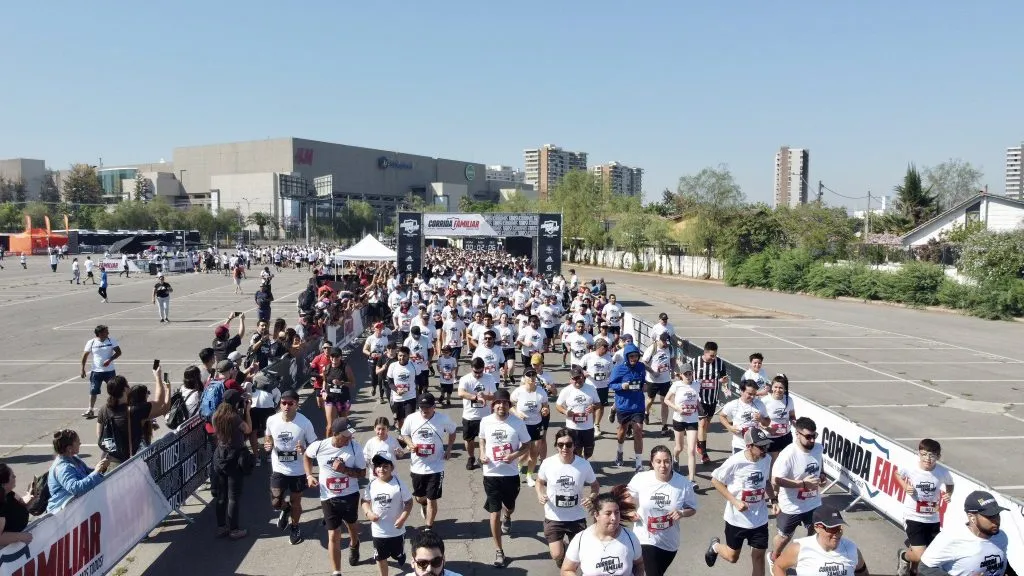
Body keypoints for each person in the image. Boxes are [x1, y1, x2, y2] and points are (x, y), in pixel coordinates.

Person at [705, 428, 776, 576]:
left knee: (758, 557)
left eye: (766, 446)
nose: (765, 450)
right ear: (749, 446)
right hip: (737, 520)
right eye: (761, 446)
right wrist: (735, 501)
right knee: (732, 557)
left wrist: (773, 499)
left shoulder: (767, 459)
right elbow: (716, 480)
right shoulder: (735, 461)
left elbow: (766, 481)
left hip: (759, 519)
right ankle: (716, 546)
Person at [304, 417, 367, 571]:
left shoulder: (355, 447)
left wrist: (344, 469)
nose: (349, 438)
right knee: (334, 534)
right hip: (328, 497)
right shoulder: (319, 446)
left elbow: (363, 473)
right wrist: (309, 475)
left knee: (352, 527)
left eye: (350, 435)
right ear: (335, 433)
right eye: (345, 436)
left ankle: (354, 543)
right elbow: (306, 456)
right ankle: (336, 572)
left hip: (349, 495)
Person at [479, 388, 532, 567]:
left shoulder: (517, 423)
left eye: (505, 403)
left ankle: (508, 515)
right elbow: (482, 439)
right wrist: (482, 455)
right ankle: (499, 551)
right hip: (491, 473)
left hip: (510, 474)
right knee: (495, 512)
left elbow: (527, 445)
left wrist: (514, 455)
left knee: (509, 506)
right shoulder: (485, 421)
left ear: (509, 405)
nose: (502, 406)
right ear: (493, 405)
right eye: (498, 403)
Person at [627, 445, 697, 576]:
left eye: (667, 461)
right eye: (658, 461)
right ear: (652, 463)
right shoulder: (641, 478)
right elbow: (626, 496)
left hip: (669, 542)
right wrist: (629, 511)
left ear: (671, 462)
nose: (663, 465)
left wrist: (681, 513)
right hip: (644, 537)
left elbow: (692, 508)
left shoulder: (682, 483)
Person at [536, 428, 600, 569]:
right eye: (560, 445)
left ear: (574, 445)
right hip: (554, 516)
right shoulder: (548, 463)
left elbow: (595, 485)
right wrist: (540, 494)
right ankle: (563, 554)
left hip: (576, 517)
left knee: (578, 556)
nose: (564, 448)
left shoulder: (583, 465)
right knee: (557, 555)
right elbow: (539, 482)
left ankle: (567, 568)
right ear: (556, 445)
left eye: (568, 444)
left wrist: (592, 497)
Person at [265, 389, 318, 545]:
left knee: (296, 501)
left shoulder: (305, 423)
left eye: (290, 403)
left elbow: (314, 444)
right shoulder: (272, 420)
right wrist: (268, 444)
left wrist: (305, 450)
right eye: (284, 403)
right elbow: (268, 435)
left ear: (297, 404)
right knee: (275, 502)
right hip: (279, 467)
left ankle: (295, 527)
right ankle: (285, 508)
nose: (286, 406)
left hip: (298, 470)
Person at [895, 438, 955, 576]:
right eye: (923, 454)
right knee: (921, 556)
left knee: (930, 555)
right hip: (913, 516)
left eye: (932, 455)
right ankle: (904, 556)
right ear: (919, 454)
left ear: (938, 457)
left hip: (933, 518)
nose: (927, 459)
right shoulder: (910, 467)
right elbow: (897, 474)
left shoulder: (942, 472)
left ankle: (913, 570)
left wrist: (948, 494)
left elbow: (950, 484)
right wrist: (905, 486)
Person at [770, 416, 825, 563]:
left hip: (813, 502)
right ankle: (774, 556)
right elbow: (775, 480)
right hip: (791, 506)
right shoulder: (788, 454)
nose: (812, 440)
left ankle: (807, 557)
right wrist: (802, 484)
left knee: (816, 532)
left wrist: (822, 475)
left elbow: (819, 463)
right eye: (808, 437)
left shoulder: (818, 448)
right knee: (784, 538)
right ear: (797, 434)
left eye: (814, 436)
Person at [399, 393, 456, 531]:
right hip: (417, 466)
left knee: (432, 498)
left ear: (434, 407)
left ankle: (428, 528)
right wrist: (410, 443)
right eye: (422, 407)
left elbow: (453, 431)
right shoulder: (412, 418)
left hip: (436, 466)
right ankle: (423, 505)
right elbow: (404, 433)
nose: (424, 410)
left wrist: (448, 449)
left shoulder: (443, 419)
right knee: (420, 497)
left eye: (427, 408)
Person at [919, 490, 1009, 576]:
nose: (996, 520)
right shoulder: (951, 537)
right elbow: (924, 569)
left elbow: (1002, 562)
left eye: (997, 514)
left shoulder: (1001, 536)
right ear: (971, 517)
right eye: (990, 516)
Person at [96, 371, 171, 467]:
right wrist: (158, 377)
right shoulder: (134, 410)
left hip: (111, 462)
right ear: (124, 389)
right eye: (127, 385)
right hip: (130, 463)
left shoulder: (104, 410)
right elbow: (160, 403)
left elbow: (99, 434)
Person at [562, 492, 644, 576]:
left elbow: (639, 564)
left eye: (616, 512)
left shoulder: (630, 537)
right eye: (608, 513)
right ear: (596, 515)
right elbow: (567, 570)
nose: (614, 518)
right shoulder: (581, 539)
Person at [772, 505, 869, 576]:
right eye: (831, 528)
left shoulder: (852, 548)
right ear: (817, 527)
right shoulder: (800, 548)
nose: (837, 534)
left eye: (839, 529)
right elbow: (778, 566)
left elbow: (862, 572)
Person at [362, 454, 413, 576]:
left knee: (397, 555)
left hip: (396, 530)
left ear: (391, 468)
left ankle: (400, 554)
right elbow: (365, 501)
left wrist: (402, 518)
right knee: (380, 558)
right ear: (374, 469)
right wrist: (368, 513)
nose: (381, 469)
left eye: (385, 466)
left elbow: (409, 502)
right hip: (378, 531)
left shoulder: (399, 484)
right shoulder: (371, 485)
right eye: (378, 466)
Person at [211, 389, 252, 539]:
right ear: (236, 402)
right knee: (233, 496)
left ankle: (221, 527)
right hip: (234, 457)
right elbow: (248, 429)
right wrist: (247, 411)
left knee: (221, 496)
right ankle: (234, 529)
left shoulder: (216, 415)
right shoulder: (235, 417)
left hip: (220, 456)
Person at [46, 429, 110, 513]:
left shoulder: (74, 458)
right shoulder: (63, 468)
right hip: (63, 514)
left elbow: (86, 473)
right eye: (77, 442)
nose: (80, 443)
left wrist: (101, 468)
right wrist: (96, 473)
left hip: (76, 510)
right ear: (69, 448)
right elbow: (76, 488)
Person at [608, 342, 648, 471]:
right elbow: (611, 384)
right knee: (622, 432)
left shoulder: (641, 367)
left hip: (638, 406)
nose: (634, 359)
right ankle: (619, 451)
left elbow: (643, 382)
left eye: (636, 356)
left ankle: (639, 463)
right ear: (626, 357)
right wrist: (621, 386)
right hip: (624, 406)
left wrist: (644, 386)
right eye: (631, 356)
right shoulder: (618, 369)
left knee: (638, 431)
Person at [457, 357, 497, 470]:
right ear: (471, 369)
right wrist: (476, 398)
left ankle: (482, 456)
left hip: (485, 417)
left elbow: (494, 395)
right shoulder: (465, 379)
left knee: (484, 438)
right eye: (476, 372)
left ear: (483, 369)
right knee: (469, 439)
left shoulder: (489, 378)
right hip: (470, 415)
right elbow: (461, 393)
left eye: (480, 372)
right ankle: (471, 457)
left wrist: (485, 396)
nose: (478, 375)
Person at [663, 365, 701, 486]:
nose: (689, 376)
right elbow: (666, 400)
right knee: (679, 448)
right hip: (679, 419)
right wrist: (677, 408)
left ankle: (692, 479)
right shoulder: (676, 385)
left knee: (691, 450)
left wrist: (700, 408)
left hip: (692, 420)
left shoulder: (696, 385)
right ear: (681, 375)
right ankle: (675, 458)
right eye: (686, 374)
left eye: (690, 374)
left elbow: (697, 399)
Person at [80, 324, 121, 419]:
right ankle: (90, 410)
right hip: (96, 371)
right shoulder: (91, 342)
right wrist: (82, 369)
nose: (108, 333)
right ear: (100, 333)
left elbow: (119, 352)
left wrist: (110, 360)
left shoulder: (111, 340)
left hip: (109, 371)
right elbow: (84, 356)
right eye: (106, 331)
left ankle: (116, 408)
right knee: (93, 391)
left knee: (113, 390)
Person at [321, 347, 356, 437]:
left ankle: (342, 444)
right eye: (332, 356)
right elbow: (324, 381)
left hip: (343, 399)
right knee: (330, 426)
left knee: (342, 426)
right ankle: (328, 446)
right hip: (330, 399)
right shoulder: (326, 368)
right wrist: (323, 391)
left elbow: (353, 384)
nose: (334, 358)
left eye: (336, 356)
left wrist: (342, 383)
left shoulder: (346, 368)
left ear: (340, 357)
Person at [0, 463, 32, 545]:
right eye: (12, 476)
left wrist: (31, 497)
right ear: (3, 483)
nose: (15, 477)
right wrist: (21, 536)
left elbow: (23, 504)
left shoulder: (10, 493)